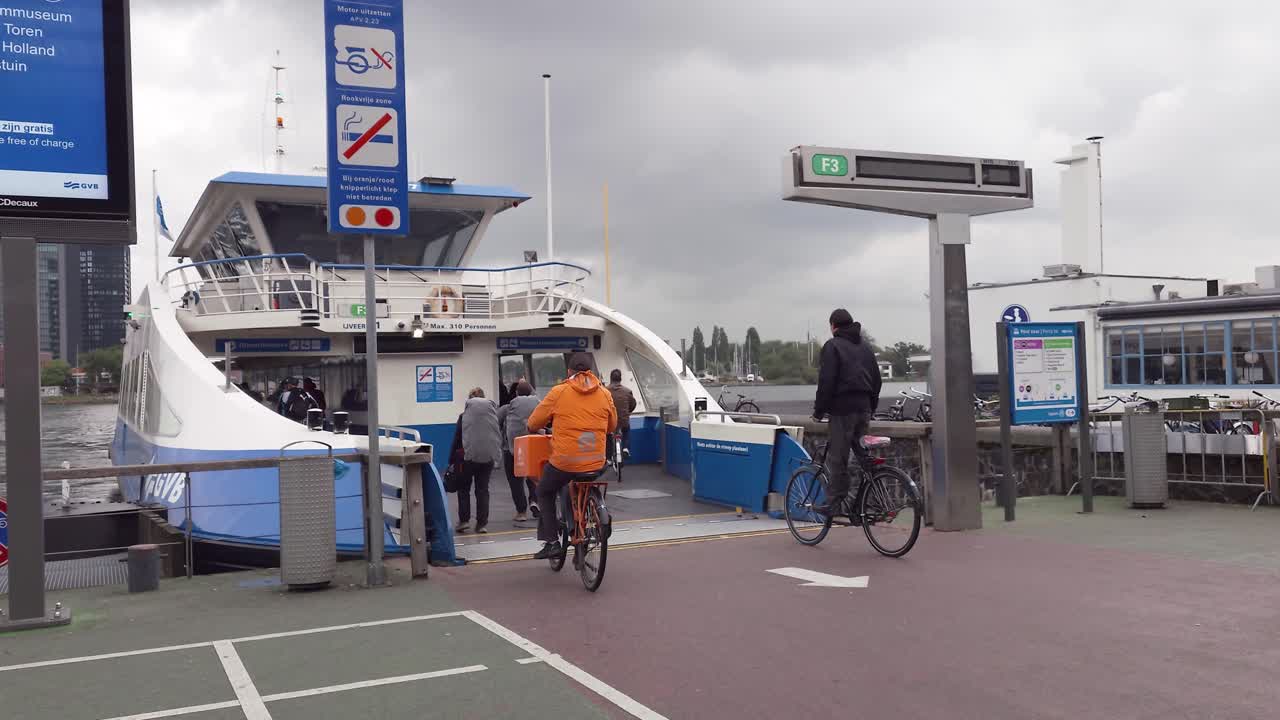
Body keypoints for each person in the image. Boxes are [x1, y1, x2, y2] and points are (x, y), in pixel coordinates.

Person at [527, 353, 617, 560]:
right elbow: (612, 426)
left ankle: (552, 543)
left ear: (569, 372)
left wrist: (535, 426)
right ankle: (590, 524)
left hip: (565, 461)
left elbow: (534, 423)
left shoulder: (559, 392)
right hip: (596, 460)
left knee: (544, 490)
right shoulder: (604, 393)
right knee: (578, 484)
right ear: (591, 372)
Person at [811, 309, 883, 516]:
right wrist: (871, 407)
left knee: (838, 458)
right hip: (864, 408)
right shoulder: (866, 348)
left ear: (833, 325)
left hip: (842, 411)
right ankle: (874, 502)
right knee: (863, 456)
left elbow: (827, 382)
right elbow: (877, 381)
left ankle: (834, 505)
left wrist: (819, 411)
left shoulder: (832, 346)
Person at [448, 387, 502, 534]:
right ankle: (482, 524)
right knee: (483, 490)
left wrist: (451, 459)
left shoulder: (464, 416)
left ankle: (464, 521)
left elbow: (458, 439)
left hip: (467, 458)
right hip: (488, 457)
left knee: (464, 489)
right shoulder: (493, 415)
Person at [496, 380, 540, 521]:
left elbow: (495, 421)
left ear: (515, 393)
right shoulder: (539, 405)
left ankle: (521, 512)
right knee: (534, 476)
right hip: (534, 446)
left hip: (512, 448)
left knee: (515, 481)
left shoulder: (507, 408)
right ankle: (535, 501)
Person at [605, 369, 636, 463]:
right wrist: (628, 412)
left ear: (611, 378)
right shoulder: (627, 391)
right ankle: (625, 448)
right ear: (620, 379)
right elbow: (633, 404)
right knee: (626, 431)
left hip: (610, 420)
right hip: (623, 420)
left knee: (608, 435)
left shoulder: (605, 391)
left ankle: (609, 458)